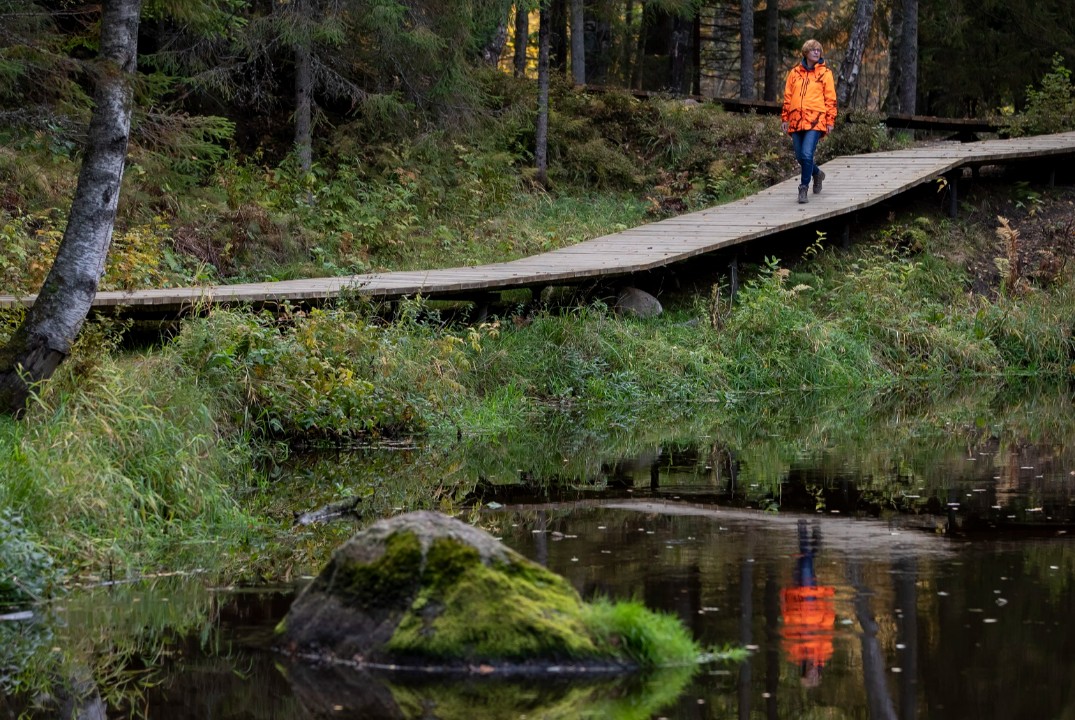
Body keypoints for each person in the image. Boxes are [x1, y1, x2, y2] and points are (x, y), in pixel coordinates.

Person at [781, 39, 837, 204]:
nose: (816, 52)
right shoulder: (794, 73)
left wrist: (830, 120)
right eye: (813, 50)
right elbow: (788, 96)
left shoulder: (825, 73)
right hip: (797, 119)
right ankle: (817, 173)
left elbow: (830, 98)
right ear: (806, 52)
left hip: (816, 120)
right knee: (800, 157)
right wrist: (785, 117)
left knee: (807, 154)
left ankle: (803, 188)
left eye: (818, 50)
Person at [780, 519, 836, 687]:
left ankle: (815, 540)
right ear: (817, 673)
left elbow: (788, 628)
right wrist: (827, 609)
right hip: (813, 604)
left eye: (807, 674)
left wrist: (784, 603)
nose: (810, 672)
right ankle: (803, 528)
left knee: (803, 562)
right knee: (805, 563)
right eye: (812, 675)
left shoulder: (795, 653)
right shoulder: (824, 653)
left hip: (796, 601)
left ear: (804, 670)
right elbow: (826, 630)